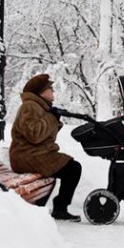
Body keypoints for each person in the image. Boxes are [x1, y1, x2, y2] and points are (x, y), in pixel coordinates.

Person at [10, 74, 82, 222]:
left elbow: (43, 134)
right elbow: (34, 134)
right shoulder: (29, 106)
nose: (53, 92)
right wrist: (52, 118)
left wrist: (54, 119)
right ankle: (60, 209)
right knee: (73, 169)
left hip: (35, 155)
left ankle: (60, 207)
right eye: (50, 89)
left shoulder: (39, 107)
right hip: (28, 156)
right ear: (41, 92)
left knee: (72, 168)